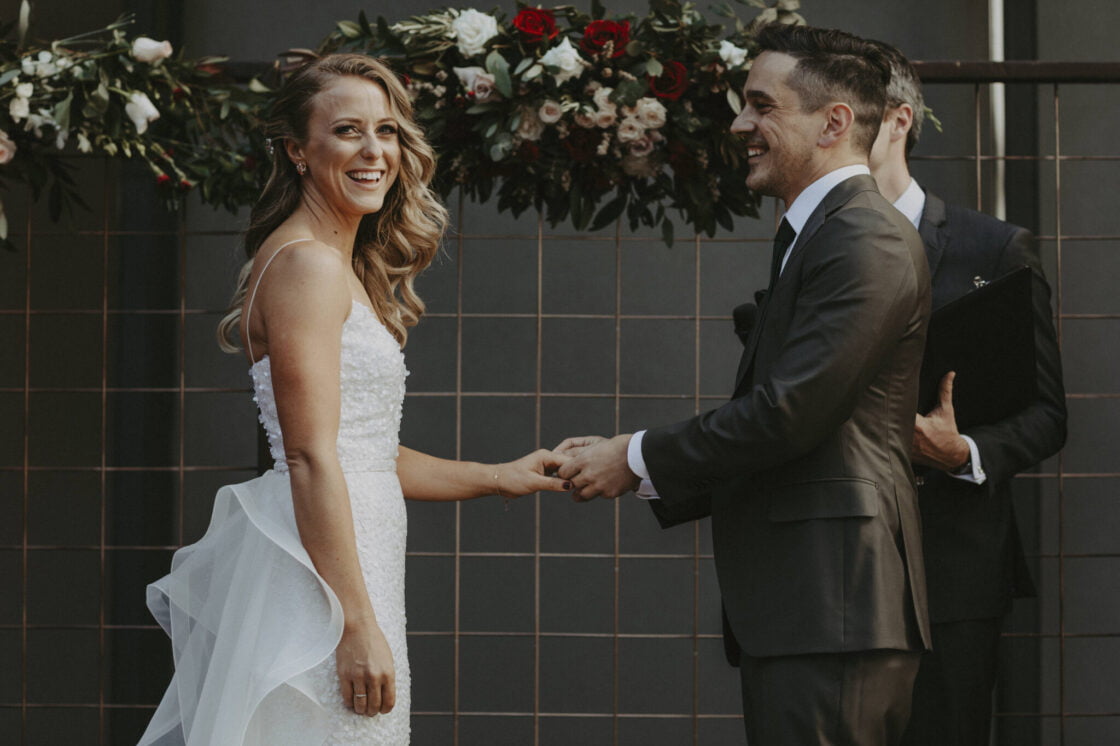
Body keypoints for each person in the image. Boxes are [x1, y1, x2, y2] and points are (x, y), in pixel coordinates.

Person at [138, 54, 570, 746]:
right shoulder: (307, 264)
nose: (374, 151)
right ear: (297, 151)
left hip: (356, 560)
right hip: (324, 589)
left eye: (387, 131)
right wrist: (354, 625)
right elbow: (310, 457)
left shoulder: (336, 263)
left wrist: (498, 476)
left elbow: (362, 453)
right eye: (347, 131)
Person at [557, 24, 932, 746]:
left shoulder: (865, 236)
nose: (739, 124)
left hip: (835, 606)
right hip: (815, 609)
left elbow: (789, 414)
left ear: (834, 123)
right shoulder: (825, 232)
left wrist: (633, 457)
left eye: (762, 105)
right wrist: (630, 462)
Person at [867, 41, 1067, 746]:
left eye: (842, 112)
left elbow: (1047, 415)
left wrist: (964, 453)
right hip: (831, 568)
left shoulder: (994, 248)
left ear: (898, 120)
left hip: (952, 568)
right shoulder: (803, 243)